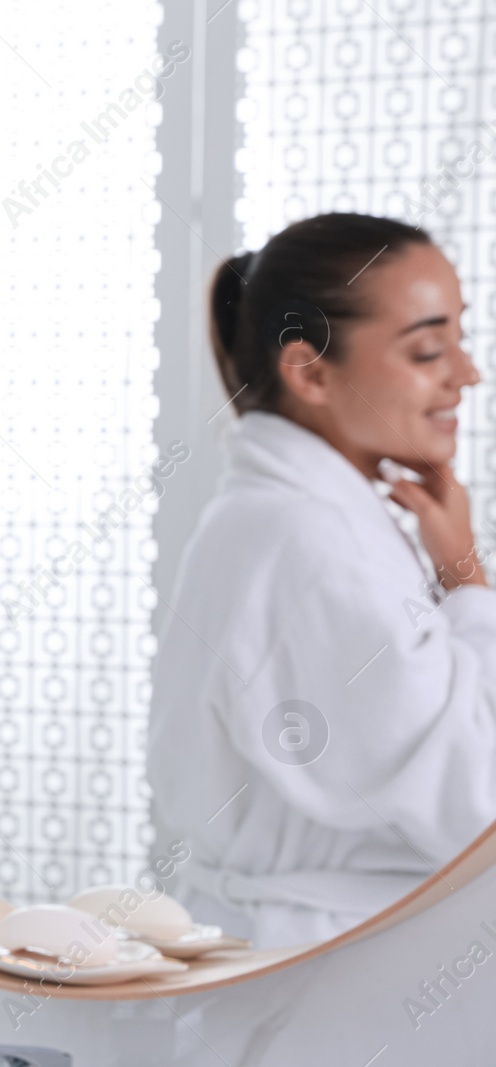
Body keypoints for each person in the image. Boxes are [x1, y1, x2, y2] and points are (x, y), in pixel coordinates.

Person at [146, 212, 496, 950]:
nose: (467, 373)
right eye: (429, 349)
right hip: (327, 969)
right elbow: (478, 803)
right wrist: (467, 585)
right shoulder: (310, 541)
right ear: (308, 371)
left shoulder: (293, 519)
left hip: (324, 955)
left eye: (459, 341)